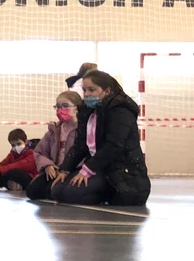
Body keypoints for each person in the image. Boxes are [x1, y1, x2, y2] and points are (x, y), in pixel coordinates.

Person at [50, 70, 151, 206]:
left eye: (92, 90)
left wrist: (87, 170)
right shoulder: (89, 111)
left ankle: (110, 194)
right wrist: (65, 169)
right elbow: (81, 145)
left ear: (107, 91)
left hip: (122, 172)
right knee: (57, 191)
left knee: (71, 193)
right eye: (84, 90)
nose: (86, 94)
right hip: (100, 167)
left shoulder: (121, 111)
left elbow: (113, 146)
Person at [26, 91, 82, 200]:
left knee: (54, 192)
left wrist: (67, 169)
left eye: (65, 106)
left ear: (76, 108)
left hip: (73, 170)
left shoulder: (82, 130)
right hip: (55, 170)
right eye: (57, 106)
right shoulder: (54, 131)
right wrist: (47, 165)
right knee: (32, 191)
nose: (60, 110)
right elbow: (39, 152)